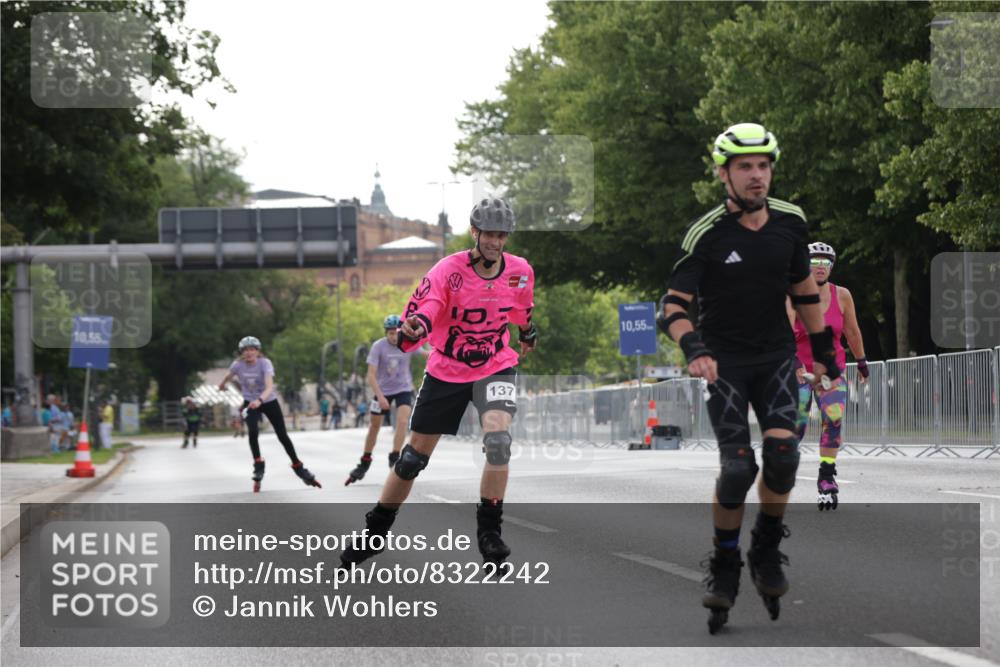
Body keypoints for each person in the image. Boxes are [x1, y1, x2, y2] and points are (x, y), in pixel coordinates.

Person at [658, 123, 839, 633]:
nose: (757, 176)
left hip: (778, 358)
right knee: (737, 469)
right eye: (745, 167)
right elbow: (672, 306)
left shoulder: (791, 223)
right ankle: (724, 563)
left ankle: (765, 547)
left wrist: (823, 345)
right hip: (726, 365)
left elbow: (804, 288)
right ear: (724, 174)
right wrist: (693, 347)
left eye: (763, 165)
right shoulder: (707, 234)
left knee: (782, 459)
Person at [339, 196, 537, 568]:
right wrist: (416, 327)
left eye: (502, 235)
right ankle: (375, 531)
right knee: (413, 459)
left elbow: (522, 307)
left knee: (498, 441)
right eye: (489, 234)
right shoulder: (448, 270)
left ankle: (490, 533)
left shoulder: (520, 270)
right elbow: (426, 308)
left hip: (496, 363)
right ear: (475, 232)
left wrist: (527, 332)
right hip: (448, 368)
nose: (495, 241)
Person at [786, 242, 868, 510]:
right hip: (799, 368)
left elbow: (852, 332)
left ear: (831, 267)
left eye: (825, 263)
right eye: (814, 261)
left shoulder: (842, 295)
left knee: (833, 419)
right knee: (796, 426)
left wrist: (861, 361)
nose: (820, 267)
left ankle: (826, 475)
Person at [218, 336, 322, 492]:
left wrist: (259, 400)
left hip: (268, 401)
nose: (249, 353)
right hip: (250, 402)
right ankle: (258, 464)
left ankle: (298, 466)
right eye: (245, 350)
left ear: (258, 351)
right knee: (253, 432)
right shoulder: (237, 365)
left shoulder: (265, 363)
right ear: (242, 353)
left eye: (252, 349)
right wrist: (222, 384)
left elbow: (269, 387)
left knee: (282, 435)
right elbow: (228, 376)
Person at [345, 315, 425, 485]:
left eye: (396, 333)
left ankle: (395, 456)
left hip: (403, 388)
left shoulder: (407, 343)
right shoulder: (378, 347)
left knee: (403, 421)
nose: (394, 337)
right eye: (390, 334)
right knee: (374, 426)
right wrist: (380, 397)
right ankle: (365, 461)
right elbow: (371, 375)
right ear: (386, 333)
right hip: (382, 390)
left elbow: (426, 353)